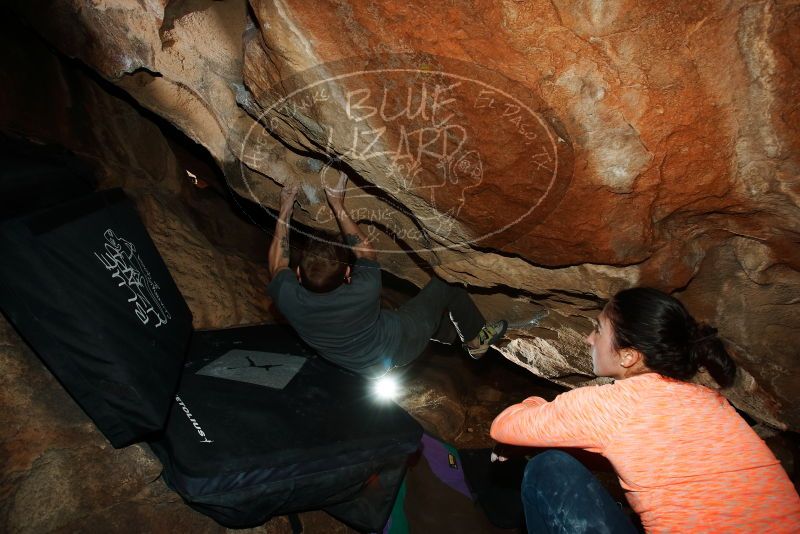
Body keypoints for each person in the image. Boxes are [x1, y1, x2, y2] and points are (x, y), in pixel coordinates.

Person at [490, 287, 800, 533]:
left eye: (598, 329)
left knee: (548, 468)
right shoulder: (710, 401)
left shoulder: (614, 405)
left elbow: (504, 427)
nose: (588, 338)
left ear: (628, 357)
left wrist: (536, 405)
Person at [267, 170, 508, 378]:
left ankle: (446, 333)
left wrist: (284, 210)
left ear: (298, 274)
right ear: (348, 273)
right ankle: (475, 340)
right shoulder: (364, 290)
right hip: (397, 344)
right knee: (448, 283)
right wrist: (337, 205)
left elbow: (278, 263)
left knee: (427, 314)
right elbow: (366, 252)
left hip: (352, 363)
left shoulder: (289, 300)